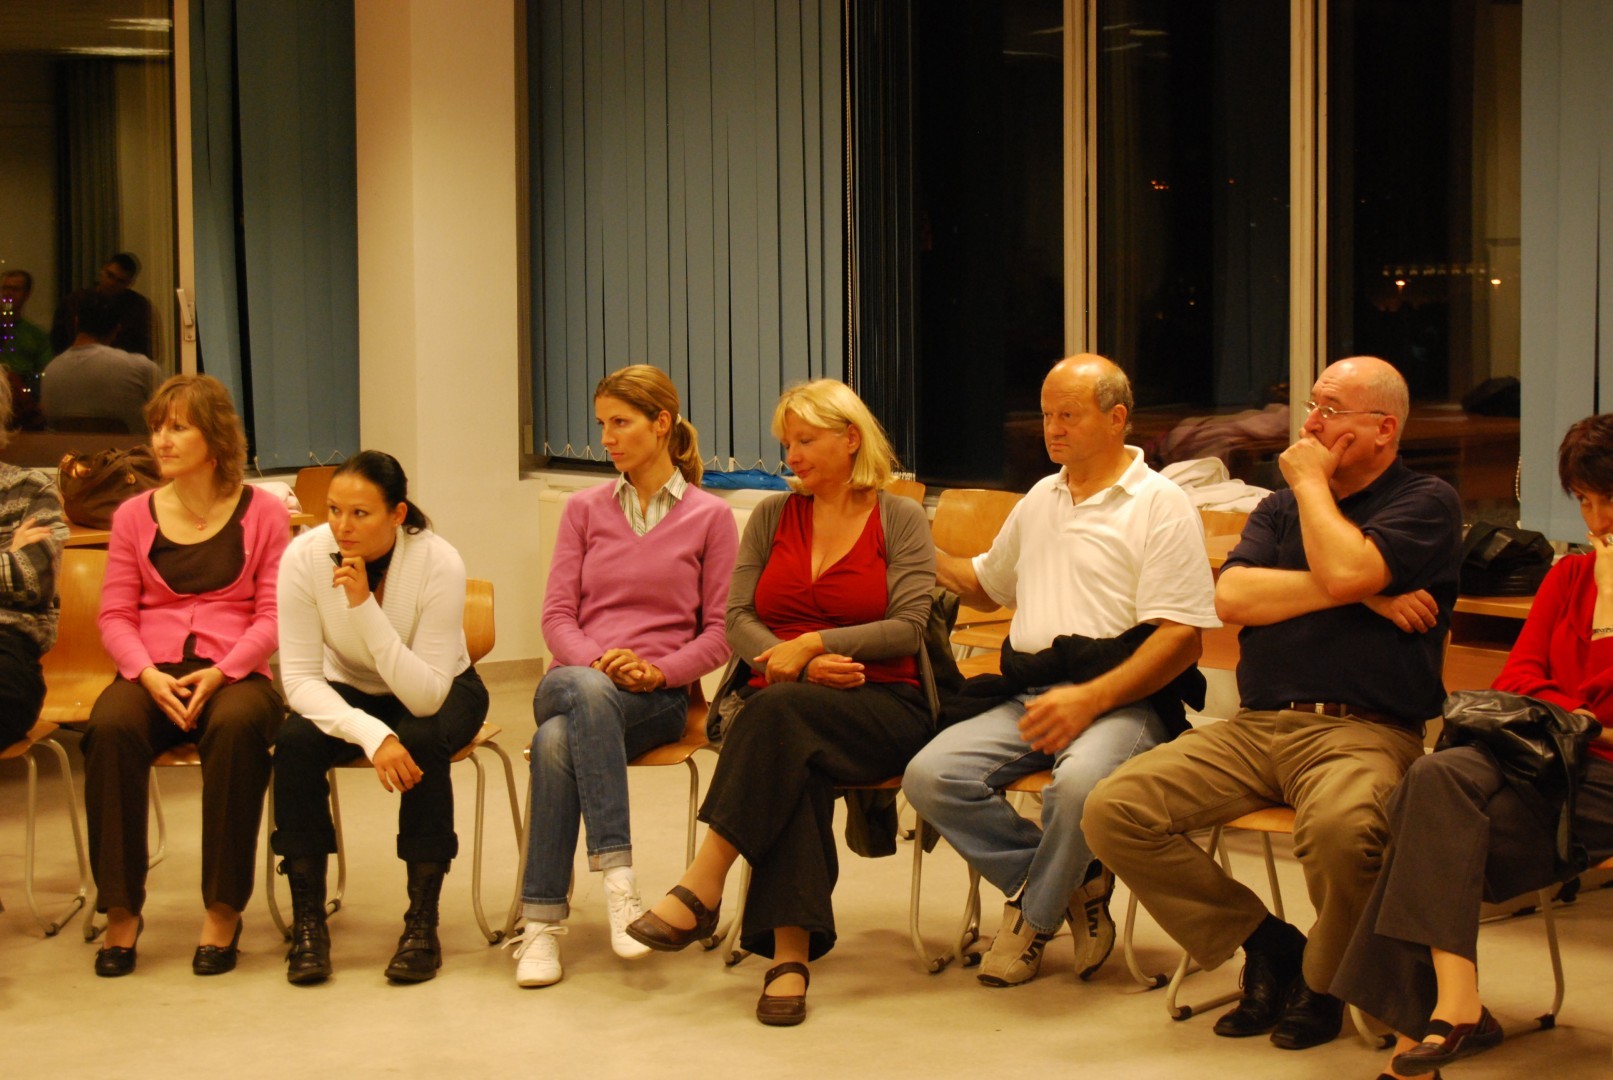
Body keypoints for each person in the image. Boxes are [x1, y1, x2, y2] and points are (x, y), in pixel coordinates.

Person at [1084, 356, 1463, 1051]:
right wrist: (1367, 595)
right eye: (1311, 406)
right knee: (1114, 809)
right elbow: (1231, 598)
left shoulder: (1424, 501)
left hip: (1364, 731)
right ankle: (1267, 943)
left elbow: (1343, 567)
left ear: (1384, 429)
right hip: (1255, 727)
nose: (1310, 423)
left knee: (1343, 833)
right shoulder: (1278, 508)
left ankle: (1325, 979)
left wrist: (1317, 495)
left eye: (1330, 409)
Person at [625, 379, 935, 1026]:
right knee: (790, 752)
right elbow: (737, 617)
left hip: (883, 705)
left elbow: (908, 628)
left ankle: (704, 881)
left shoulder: (899, 517)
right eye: (786, 442)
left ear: (851, 440)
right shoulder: (772, 516)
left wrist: (815, 644)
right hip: (783, 704)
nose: (791, 455)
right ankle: (788, 960)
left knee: (777, 719)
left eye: (806, 440)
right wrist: (796, 663)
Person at [903, 354, 1219, 988]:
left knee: (1077, 788)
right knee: (931, 777)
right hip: (1032, 693)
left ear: (1117, 418)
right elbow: (986, 587)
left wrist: (1091, 700)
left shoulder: (1160, 504)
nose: (1051, 428)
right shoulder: (1042, 498)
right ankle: (1076, 882)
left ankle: (1031, 922)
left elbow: (1182, 639)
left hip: (1123, 699)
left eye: (1068, 415)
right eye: (1046, 414)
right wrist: (912, 540)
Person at [1333, 414, 1613, 1079]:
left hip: (1596, 777)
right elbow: (1516, 681)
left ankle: (1434, 1019)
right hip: (1538, 762)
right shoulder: (1570, 578)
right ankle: (1456, 1004)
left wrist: (1577, 699)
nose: (1597, 520)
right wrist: (1579, 716)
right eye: (1584, 501)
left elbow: (1550, 696)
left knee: (1429, 828)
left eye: (1610, 501)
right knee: (1435, 781)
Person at [506, 365, 738, 987]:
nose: (605, 438)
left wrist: (656, 671)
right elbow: (556, 616)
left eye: (620, 423)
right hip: (573, 678)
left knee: (557, 742)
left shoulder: (711, 518)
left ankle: (540, 923)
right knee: (586, 693)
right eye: (601, 423)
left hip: (656, 697)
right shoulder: (582, 510)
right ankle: (620, 881)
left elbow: (720, 633)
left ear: (661, 424)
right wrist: (598, 663)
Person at [82, 374, 289, 977]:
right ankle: (121, 911)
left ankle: (223, 910)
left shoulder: (264, 513)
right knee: (109, 728)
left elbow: (274, 614)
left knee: (238, 729)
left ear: (215, 439)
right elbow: (115, 614)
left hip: (236, 674)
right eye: (157, 427)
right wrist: (144, 673)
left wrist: (224, 671)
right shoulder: (132, 515)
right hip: (151, 672)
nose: (161, 440)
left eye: (178, 427)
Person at [271, 450, 490, 985]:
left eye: (360, 513)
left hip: (439, 687)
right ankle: (308, 920)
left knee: (419, 737)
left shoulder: (438, 561)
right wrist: (372, 735)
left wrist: (363, 605)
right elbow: (299, 681)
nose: (342, 526)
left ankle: (422, 923)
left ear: (397, 514)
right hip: (351, 687)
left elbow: (424, 697)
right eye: (334, 510)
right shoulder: (303, 558)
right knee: (295, 741)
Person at [0, 377, 69, 748]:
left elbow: (33, 579)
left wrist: (19, 561)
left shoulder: (31, 488)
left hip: (8, 651)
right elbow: (15, 571)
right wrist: (8, 556)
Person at [40, 291, 159, 434]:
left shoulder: (50, 371)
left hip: (69, 449)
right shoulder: (139, 368)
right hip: (130, 448)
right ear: (116, 330)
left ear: (76, 323)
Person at [51, 252, 156, 361]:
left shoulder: (138, 308)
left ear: (129, 283)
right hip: (78, 363)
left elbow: (145, 348)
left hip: (121, 366)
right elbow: (59, 341)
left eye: (120, 281)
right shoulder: (74, 302)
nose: (112, 283)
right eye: (110, 275)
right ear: (102, 270)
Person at [1, 270, 56, 380]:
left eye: (14, 289)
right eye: (5, 288)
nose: (8, 293)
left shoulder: (37, 336)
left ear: (26, 294)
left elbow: (45, 373)